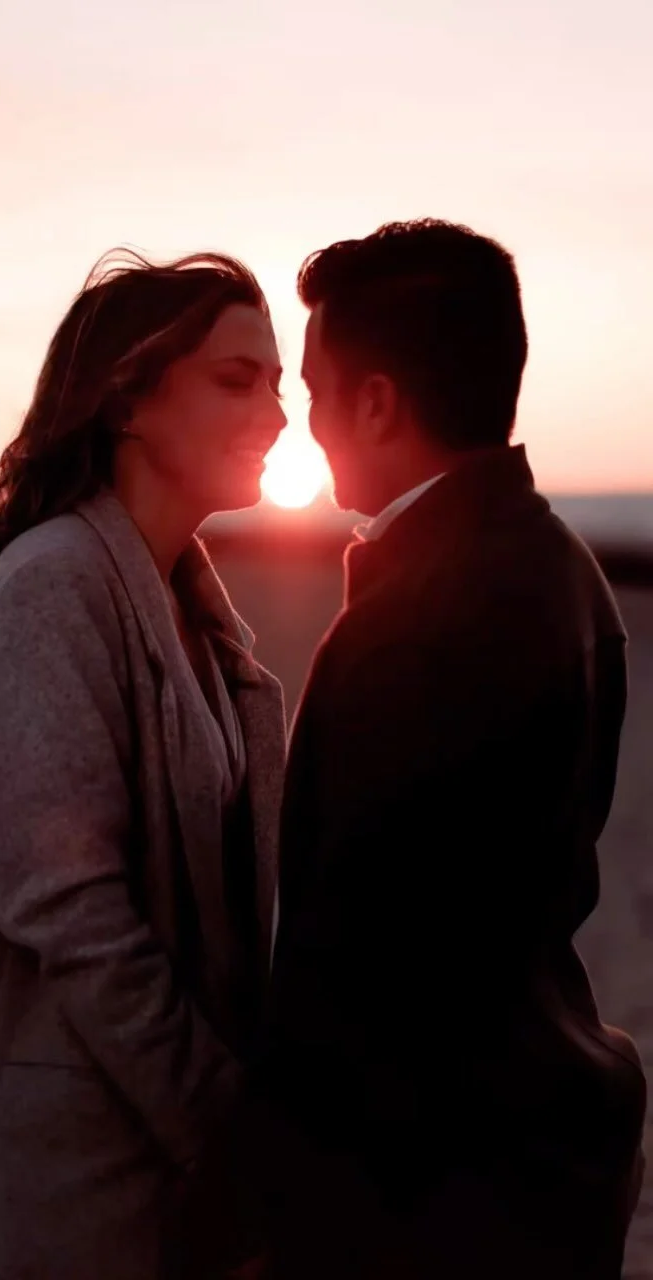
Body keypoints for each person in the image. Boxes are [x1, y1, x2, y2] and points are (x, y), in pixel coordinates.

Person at [263, 219, 646, 1278]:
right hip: (537, 1145)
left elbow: (356, 967)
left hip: (433, 1197)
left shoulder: (426, 617)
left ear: (377, 402)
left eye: (317, 390)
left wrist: (263, 1203)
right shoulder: (563, 567)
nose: (306, 423)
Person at [0, 247, 287, 1280]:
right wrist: (227, 1131)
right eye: (237, 380)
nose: (276, 416)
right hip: (74, 1190)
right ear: (128, 399)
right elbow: (69, 911)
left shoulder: (196, 613)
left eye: (279, 385)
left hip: (172, 1193)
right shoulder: (54, 586)